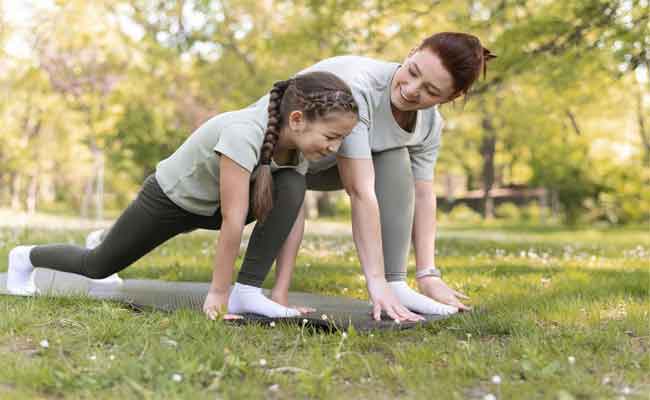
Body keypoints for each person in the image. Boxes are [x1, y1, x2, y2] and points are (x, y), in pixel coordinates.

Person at [6, 71, 362, 320]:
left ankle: (248, 290)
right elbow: (233, 221)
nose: (334, 148)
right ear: (297, 119)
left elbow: (290, 222)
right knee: (97, 266)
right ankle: (25, 256)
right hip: (171, 201)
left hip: (214, 206)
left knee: (293, 186)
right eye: (331, 136)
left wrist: (279, 297)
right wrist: (218, 295)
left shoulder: (297, 149)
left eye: (341, 140)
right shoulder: (243, 134)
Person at [237, 32, 496, 320]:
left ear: (451, 97)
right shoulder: (360, 88)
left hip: (318, 163)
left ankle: (396, 283)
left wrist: (427, 274)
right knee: (296, 183)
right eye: (412, 72)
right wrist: (375, 282)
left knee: (395, 156)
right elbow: (360, 190)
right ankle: (258, 289)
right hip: (260, 162)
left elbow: (423, 194)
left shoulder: (429, 124)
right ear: (411, 52)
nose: (411, 90)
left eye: (431, 91)